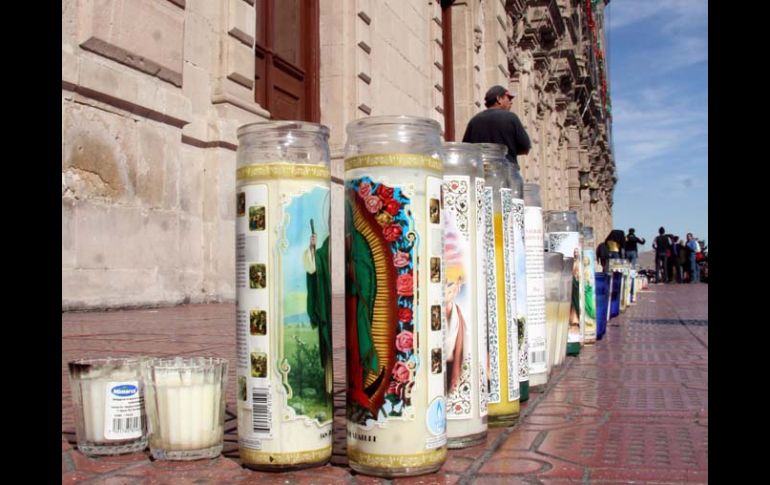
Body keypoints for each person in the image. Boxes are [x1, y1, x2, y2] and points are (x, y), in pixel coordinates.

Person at [462, 85, 531, 166]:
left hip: (481, 172)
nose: (511, 102)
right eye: (508, 98)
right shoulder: (511, 117)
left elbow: (466, 150)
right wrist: (509, 150)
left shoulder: (474, 121)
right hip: (506, 171)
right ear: (499, 99)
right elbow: (525, 147)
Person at [305, 230, 332, 395]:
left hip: (331, 306)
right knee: (326, 344)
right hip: (324, 306)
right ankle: (327, 387)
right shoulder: (322, 250)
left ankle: (329, 388)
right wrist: (312, 248)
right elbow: (313, 269)